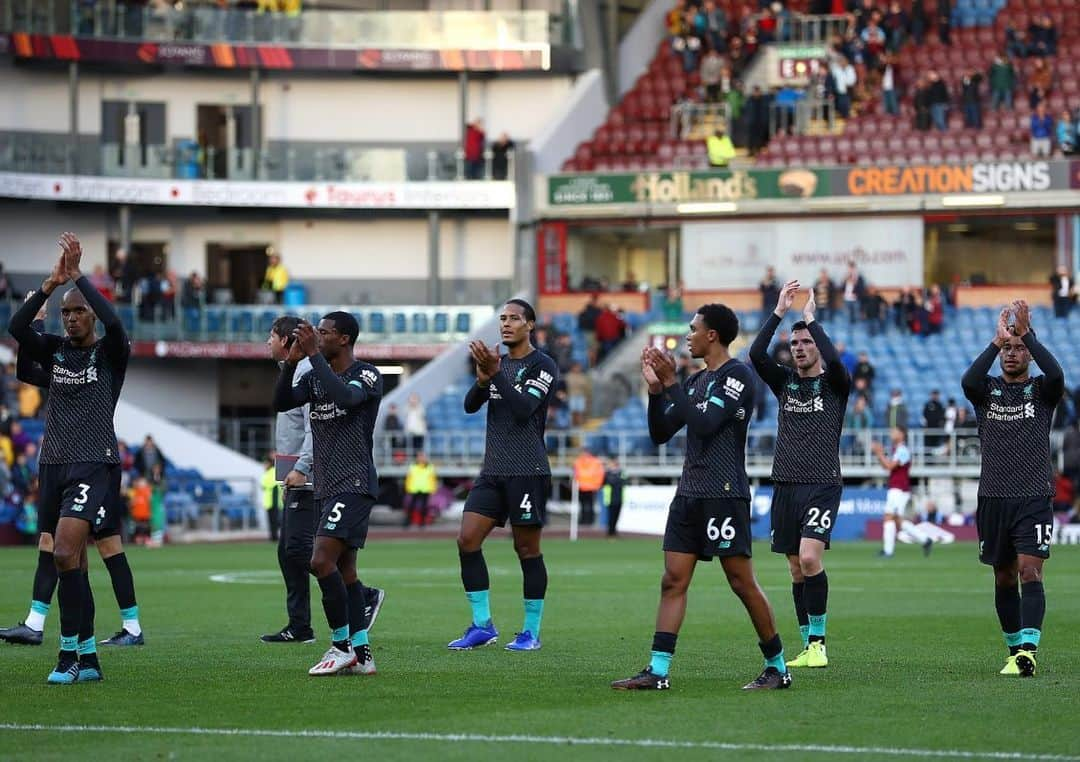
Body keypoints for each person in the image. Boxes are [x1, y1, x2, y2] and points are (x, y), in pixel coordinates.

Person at [611, 305, 791, 691]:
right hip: (689, 493)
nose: (687, 335)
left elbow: (707, 425)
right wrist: (656, 391)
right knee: (672, 580)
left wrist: (672, 382)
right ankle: (657, 671)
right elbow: (661, 432)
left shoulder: (738, 376)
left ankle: (777, 666)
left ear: (712, 335)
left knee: (741, 583)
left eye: (693, 329)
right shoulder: (694, 383)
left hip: (724, 493)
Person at [5, 233, 130, 684]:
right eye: (66, 312)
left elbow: (116, 325)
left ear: (91, 315)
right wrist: (50, 285)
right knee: (72, 562)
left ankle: (67, 653)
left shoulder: (110, 353)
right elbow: (18, 331)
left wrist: (79, 277)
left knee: (62, 553)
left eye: (79, 311)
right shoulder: (56, 350)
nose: (72, 318)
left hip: (94, 462)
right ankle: (90, 656)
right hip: (52, 463)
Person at [273, 312, 383, 676]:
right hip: (326, 485)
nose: (317, 337)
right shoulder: (315, 378)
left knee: (320, 562)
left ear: (345, 339)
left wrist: (312, 358)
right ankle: (363, 653)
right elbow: (282, 402)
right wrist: (290, 365)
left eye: (324, 333)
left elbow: (349, 399)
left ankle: (340, 645)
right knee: (346, 571)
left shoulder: (366, 374)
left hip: (354, 482)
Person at [749, 282, 850, 669]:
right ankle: (808, 643)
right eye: (795, 344)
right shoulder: (785, 383)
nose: (800, 348)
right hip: (786, 484)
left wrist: (810, 319)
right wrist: (778, 312)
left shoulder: (835, 385)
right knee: (794, 567)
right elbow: (757, 354)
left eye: (807, 342)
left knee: (809, 558)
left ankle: (820, 644)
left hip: (822, 482)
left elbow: (839, 365)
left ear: (818, 347)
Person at [961, 300, 1064, 677]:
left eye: (1018, 349)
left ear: (1030, 356)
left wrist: (1026, 334)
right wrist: (995, 339)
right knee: (1003, 576)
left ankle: (1029, 652)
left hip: (1034, 496)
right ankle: (1013, 648)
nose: (1011, 354)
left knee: (1030, 573)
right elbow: (967, 381)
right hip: (993, 497)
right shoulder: (986, 391)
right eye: (1008, 349)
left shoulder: (1041, 392)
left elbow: (1057, 375)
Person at [449, 299, 558, 653]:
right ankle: (482, 625)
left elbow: (525, 409)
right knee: (467, 540)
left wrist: (494, 375)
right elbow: (469, 405)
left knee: (526, 549)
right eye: (503, 319)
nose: (506, 324)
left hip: (528, 470)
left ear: (530, 325)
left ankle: (531, 631)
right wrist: (483, 380)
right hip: (493, 470)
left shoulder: (543, 365)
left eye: (514, 318)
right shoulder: (497, 364)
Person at [871, 428, 934, 558]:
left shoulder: (902, 450)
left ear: (902, 434)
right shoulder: (898, 450)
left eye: (894, 432)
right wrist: (880, 455)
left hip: (898, 489)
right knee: (899, 521)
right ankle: (925, 540)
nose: (891, 434)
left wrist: (880, 453)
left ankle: (888, 551)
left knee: (889, 517)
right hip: (897, 489)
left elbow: (889, 466)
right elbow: (887, 466)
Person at [403, 452, 437, 528]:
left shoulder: (430, 467)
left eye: (423, 457)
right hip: (414, 489)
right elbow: (408, 478)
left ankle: (422, 523)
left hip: (426, 489)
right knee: (411, 507)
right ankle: (408, 522)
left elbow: (433, 479)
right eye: (420, 457)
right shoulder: (413, 466)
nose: (421, 458)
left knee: (424, 507)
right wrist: (407, 488)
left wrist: (433, 489)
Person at [573, 447, 605, 527]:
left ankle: (588, 521)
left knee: (589, 505)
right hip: (583, 487)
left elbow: (599, 475)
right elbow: (576, 474)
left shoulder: (595, 462)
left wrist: (597, 485)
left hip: (591, 487)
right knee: (584, 505)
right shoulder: (579, 461)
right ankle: (585, 520)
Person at [603, 458, 626, 537]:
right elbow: (609, 481)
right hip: (610, 499)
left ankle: (614, 531)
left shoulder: (621, 472)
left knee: (617, 516)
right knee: (611, 516)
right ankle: (610, 532)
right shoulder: (607, 473)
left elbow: (623, 481)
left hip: (619, 498)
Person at [262, 455, 281, 542]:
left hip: (273, 501)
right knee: (273, 521)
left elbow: (272, 486)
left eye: (265, 463)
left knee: (275, 520)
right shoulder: (269, 472)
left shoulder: (272, 472)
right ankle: (273, 536)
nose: (264, 465)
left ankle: (274, 537)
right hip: (270, 501)